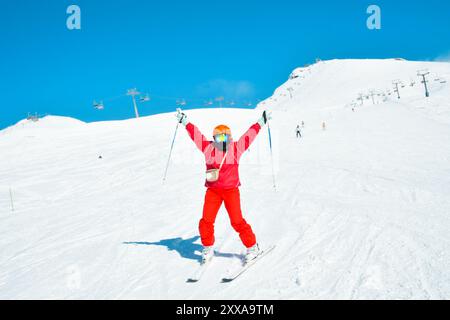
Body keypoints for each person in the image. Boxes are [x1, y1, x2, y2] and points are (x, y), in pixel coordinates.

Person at [175, 109, 272, 265]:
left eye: (224, 136)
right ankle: (207, 248)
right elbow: (196, 135)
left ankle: (252, 247)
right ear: (214, 138)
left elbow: (250, 135)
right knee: (206, 221)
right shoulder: (208, 148)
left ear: (229, 137)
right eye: (218, 137)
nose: (222, 140)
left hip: (231, 191)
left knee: (237, 221)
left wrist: (261, 121)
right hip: (213, 191)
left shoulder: (236, 148)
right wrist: (185, 121)